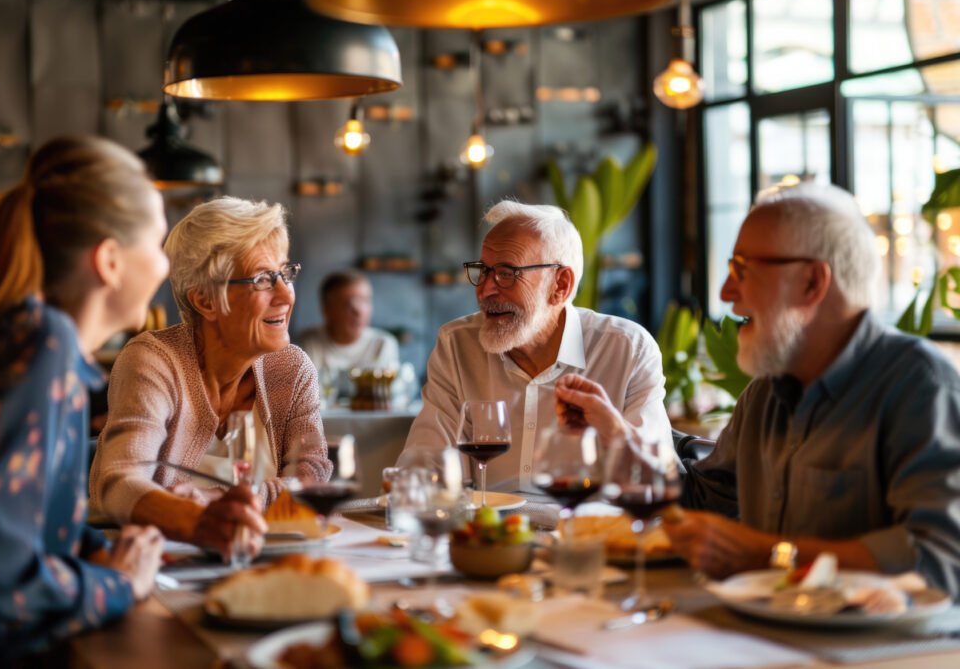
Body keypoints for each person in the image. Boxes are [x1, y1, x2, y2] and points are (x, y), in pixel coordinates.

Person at [559, 183, 960, 598]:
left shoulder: (919, 386)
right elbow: (700, 504)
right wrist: (615, 433)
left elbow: (941, 561)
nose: (725, 293)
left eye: (743, 270)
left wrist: (773, 555)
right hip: (761, 635)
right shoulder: (765, 393)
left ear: (811, 282)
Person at [0, 136, 167, 666]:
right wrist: (118, 583)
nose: (163, 265)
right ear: (109, 260)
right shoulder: (42, 343)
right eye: (156, 244)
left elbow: (15, 518)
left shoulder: (25, 335)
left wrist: (96, 549)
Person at [89, 196, 332, 558]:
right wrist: (209, 516)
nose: (285, 294)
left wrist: (209, 499)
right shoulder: (154, 361)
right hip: (159, 565)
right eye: (264, 279)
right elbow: (120, 480)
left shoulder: (292, 368)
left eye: (286, 273)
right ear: (205, 300)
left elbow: (311, 477)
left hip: (268, 559)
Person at [400, 201, 670, 493]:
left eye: (506, 273)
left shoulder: (628, 350)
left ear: (560, 285)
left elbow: (656, 481)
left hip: (587, 532)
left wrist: (614, 432)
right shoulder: (457, 345)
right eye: (483, 270)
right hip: (488, 534)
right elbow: (426, 463)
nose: (485, 289)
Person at [298, 270, 399, 400]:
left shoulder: (383, 344)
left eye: (365, 301)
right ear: (326, 310)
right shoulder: (308, 344)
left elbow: (387, 396)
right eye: (348, 303)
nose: (359, 311)